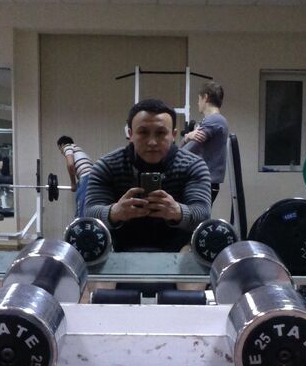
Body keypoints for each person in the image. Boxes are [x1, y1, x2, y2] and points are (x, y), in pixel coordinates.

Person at [85, 98, 211, 252]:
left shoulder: (193, 166)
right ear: (130, 134)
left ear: (173, 135)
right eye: (143, 132)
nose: (152, 142)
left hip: (178, 255)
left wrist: (178, 212)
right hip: (118, 255)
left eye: (161, 133)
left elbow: (203, 215)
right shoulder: (107, 166)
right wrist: (114, 212)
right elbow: (90, 214)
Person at [181, 81, 228, 204]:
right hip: (207, 182)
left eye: (199, 99)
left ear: (205, 97)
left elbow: (184, 153)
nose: (198, 103)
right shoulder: (216, 121)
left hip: (205, 183)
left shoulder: (213, 121)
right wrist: (187, 137)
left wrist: (185, 139)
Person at [57, 135, 94, 217]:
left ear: (62, 145)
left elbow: (70, 165)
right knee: (85, 205)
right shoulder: (79, 149)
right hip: (92, 177)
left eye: (60, 149)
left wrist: (73, 183)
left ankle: (81, 223)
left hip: (86, 177)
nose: (61, 152)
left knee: (81, 207)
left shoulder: (67, 146)